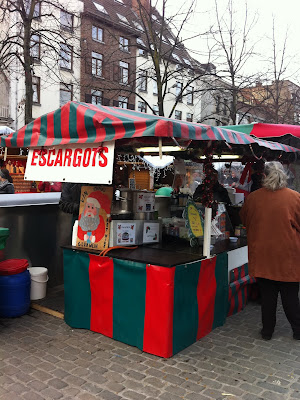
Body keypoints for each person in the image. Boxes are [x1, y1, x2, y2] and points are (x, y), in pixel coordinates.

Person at [240, 161, 300, 340]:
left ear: (264, 176)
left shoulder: (253, 198)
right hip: (288, 257)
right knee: (290, 298)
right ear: (284, 175)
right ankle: (298, 331)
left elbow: (244, 219)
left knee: (267, 298)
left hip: (263, 255)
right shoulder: (295, 197)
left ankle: (267, 332)